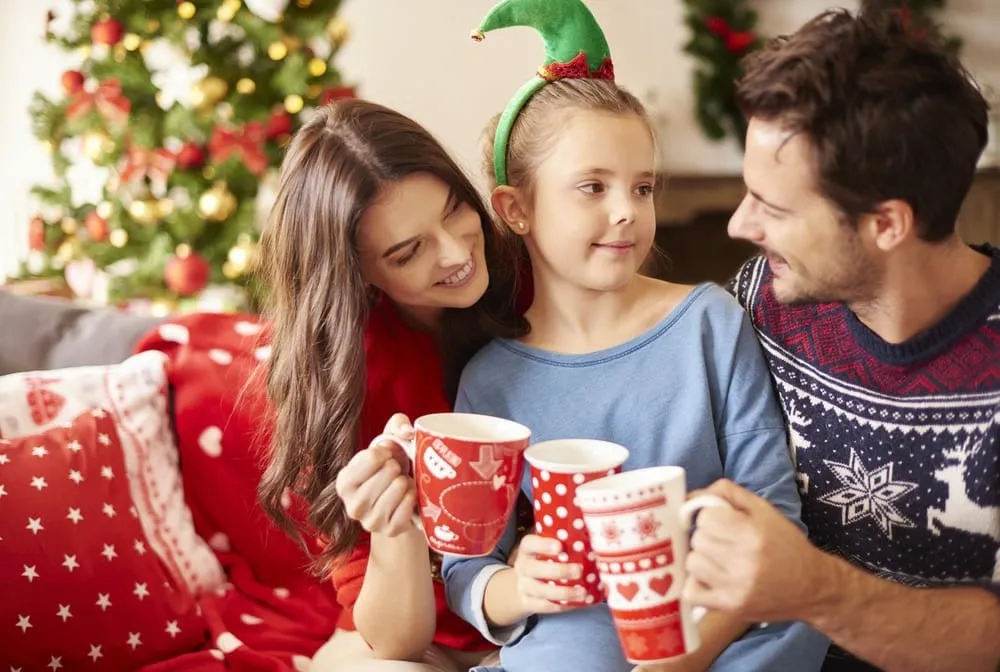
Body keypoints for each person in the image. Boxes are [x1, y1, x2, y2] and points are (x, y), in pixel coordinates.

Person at [436, 1, 831, 670]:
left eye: (642, 187)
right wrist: (515, 586)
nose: (627, 211)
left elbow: (774, 523)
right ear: (516, 209)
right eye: (592, 186)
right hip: (568, 645)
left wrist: (689, 655)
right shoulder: (491, 383)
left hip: (728, 641)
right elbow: (466, 569)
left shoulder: (708, 325)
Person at [681, 6, 1000, 672]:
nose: (741, 224)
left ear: (886, 224)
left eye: (772, 206)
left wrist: (813, 589)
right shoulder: (763, 300)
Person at [257, 98, 527, 671]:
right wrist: (393, 526)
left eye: (455, 211)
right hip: (424, 638)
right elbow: (395, 642)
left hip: (549, 617)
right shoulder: (344, 376)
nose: (456, 252)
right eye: (408, 251)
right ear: (356, 272)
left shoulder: (533, 279)